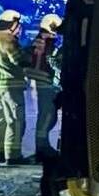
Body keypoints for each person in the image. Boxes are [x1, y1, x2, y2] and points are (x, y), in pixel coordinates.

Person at [0, 9, 31, 166]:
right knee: (15, 121)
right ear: (13, 23)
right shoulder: (8, 39)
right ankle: (13, 155)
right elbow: (19, 60)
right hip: (12, 86)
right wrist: (29, 54)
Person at [27, 13, 62, 160]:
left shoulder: (39, 39)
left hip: (42, 81)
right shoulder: (46, 41)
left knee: (47, 115)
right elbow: (51, 61)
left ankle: (42, 146)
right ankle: (42, 148)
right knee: (47, 115)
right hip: (46, 82)